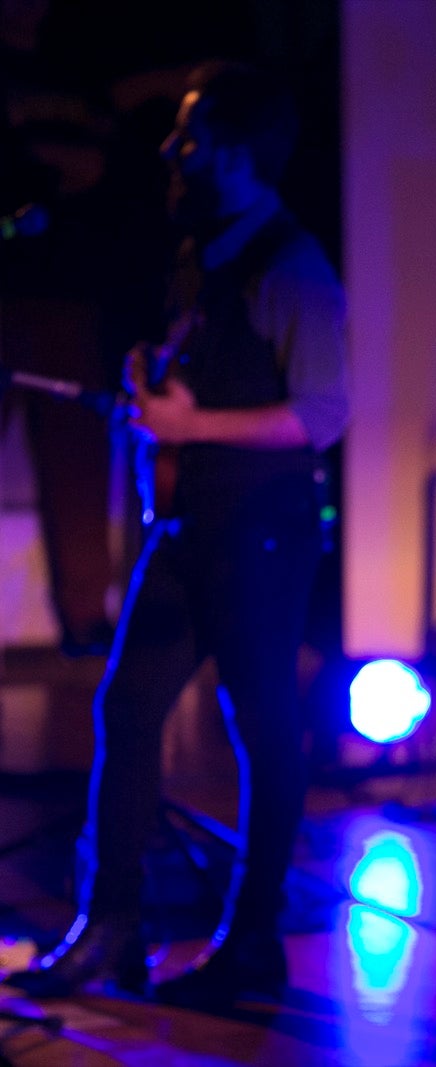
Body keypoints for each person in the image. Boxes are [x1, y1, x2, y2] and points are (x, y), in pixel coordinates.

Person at [9, 60, 348, 1009]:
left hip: (261, 529)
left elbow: (323, 411)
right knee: (126, 711)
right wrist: (157, 379)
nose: (171, 149)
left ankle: (252, 943)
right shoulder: (211, 249)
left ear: (238, 155)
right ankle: (107, 922)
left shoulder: (295, 268)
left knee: (262, 727)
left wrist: (191, 426)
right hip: (192, 523)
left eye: (190, 136)